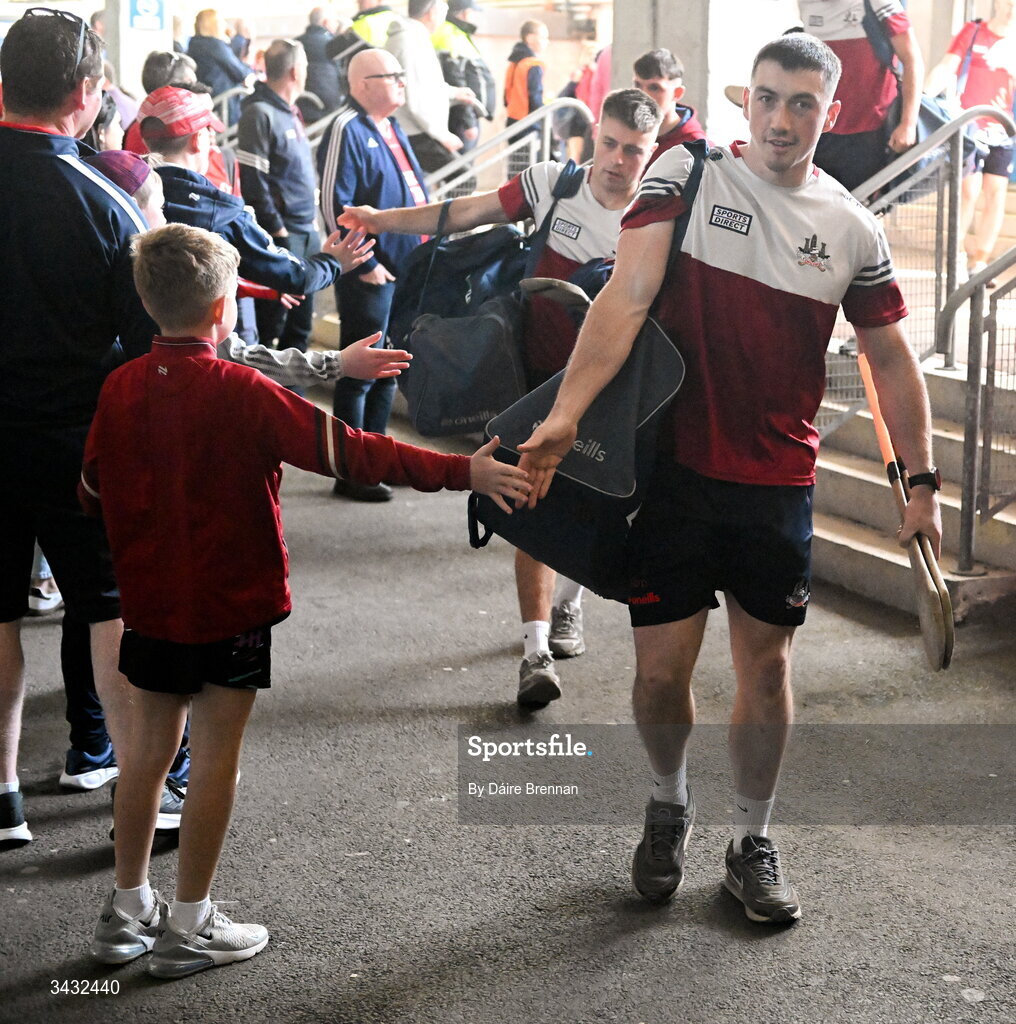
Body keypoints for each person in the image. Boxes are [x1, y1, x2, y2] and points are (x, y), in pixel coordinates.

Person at [516, 33, 942, 924]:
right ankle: (668, 803)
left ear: (830, 114)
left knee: (767, 666)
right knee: (660, 675)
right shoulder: (687, 171)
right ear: (746, 99)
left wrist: (922, 482)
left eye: (802, 104)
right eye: (768, 98)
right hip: (671, 474)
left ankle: (752, 838)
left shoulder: (851, 228)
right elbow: (625, 298)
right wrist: (564, 414)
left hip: (777, 482)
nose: (782, 119)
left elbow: (892, 360)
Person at [83, 221, 529, 978]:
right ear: (225, 309)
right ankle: (190, 925)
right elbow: (354, 453)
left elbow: (91, 488)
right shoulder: (244, 391)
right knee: (216, 756)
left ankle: (125, 913)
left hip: (151, 603)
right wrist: (466, 475)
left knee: (147, 757)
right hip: (232, 602)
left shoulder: (118, 388)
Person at [339, 88, 663, 707]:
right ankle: (535, 653)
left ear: (652, 154)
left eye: (635, 151)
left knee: (600, 510)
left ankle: (568, 604)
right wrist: (382, 221)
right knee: (529, 509)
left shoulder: (655, 218)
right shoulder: (554, 185)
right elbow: (464, 213)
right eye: (612, 144)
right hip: (534, 381)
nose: (619, 161)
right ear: (595, 136)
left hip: (609, 386)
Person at [0, 6, 155, 849]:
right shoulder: (108, 198)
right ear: (88, 95)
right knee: (105, 609)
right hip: (75, 445)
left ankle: (1, 800)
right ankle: (138, 793)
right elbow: (145, 342)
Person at [140, 85, 362, 345]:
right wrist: (333, 263)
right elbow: (295, 275)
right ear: (198, 139)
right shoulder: (220, 211)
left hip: (137, 350)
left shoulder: (121, 188)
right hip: (205, 350)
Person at [318, 48, 430, 500]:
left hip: (405, 272)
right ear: (363, 85)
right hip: (373, 273)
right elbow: (333, 205)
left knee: (388, 370)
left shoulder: (392, 126)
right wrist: (364, 264)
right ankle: (351, 470)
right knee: (360, 371)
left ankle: (376, 460)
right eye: (393, 76)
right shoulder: (348, 127)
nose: (402, 81)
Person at [237, 39, 322, 359]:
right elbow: (253, 182)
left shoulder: (291, 112)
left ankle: (292, 398)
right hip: (283, 235)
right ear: (296, 71)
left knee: (300, 328)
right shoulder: (259, 113)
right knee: (272, 324)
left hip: (305, 231)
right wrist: (278, 231)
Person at [925, 0, 1016, 282]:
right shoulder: (974, 31)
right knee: (968, 190)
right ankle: (955, 257)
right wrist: (923, 98)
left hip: (1004, 129)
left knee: (996, 191)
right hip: (971, 127)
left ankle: (980, 262)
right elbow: (947, 66)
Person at [799, 0, 924, 192]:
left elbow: (912, 58)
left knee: (860, 210)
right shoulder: (806, 4)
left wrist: (908, 124)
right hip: (821, 130)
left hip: (869, 130)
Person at [385, 0, 476, 175]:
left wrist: (453, 92)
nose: (444, 18)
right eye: (443, 10)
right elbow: (416, 97)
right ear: (432, 13)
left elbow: (423, 83)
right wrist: (442, 135)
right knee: (462, 177)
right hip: (414, 130)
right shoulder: (410, 42)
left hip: (413, 127)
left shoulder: (412, 36)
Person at [432, 0, 495, 157]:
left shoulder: (455, 33)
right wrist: (468, 121)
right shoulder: (449, 34)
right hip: (460, 117)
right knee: (462, 170)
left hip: (463, 114)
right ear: (464, 12)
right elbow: (456, 81)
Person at [632, 48, 706, 167]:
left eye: (654, 88)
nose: (642, 96)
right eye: (637, 85)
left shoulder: (695, 148)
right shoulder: (627, 132)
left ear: (677, 93)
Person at [187, 9, 255, 126]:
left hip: (208, 99)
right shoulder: (215, 45)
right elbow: (239, 71)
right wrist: (250, 72)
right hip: (224, 103)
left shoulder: (194, 44)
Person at [504, 19, 548, 177]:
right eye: (543, 37)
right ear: (530, 38)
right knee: (528, 172)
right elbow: (535, 97)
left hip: (512, 120)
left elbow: (506, 96)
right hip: (528, 124)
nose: (546, 42)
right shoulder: (533, 64)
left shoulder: (515, 63)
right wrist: (544, 120)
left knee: (515, 169)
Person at [297, 6, 344, 116]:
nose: (337, 25)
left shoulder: (296, 43)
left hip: (301, 104)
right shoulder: (334, 45)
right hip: (329, 106)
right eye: (335, 21)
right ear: (326, 22)